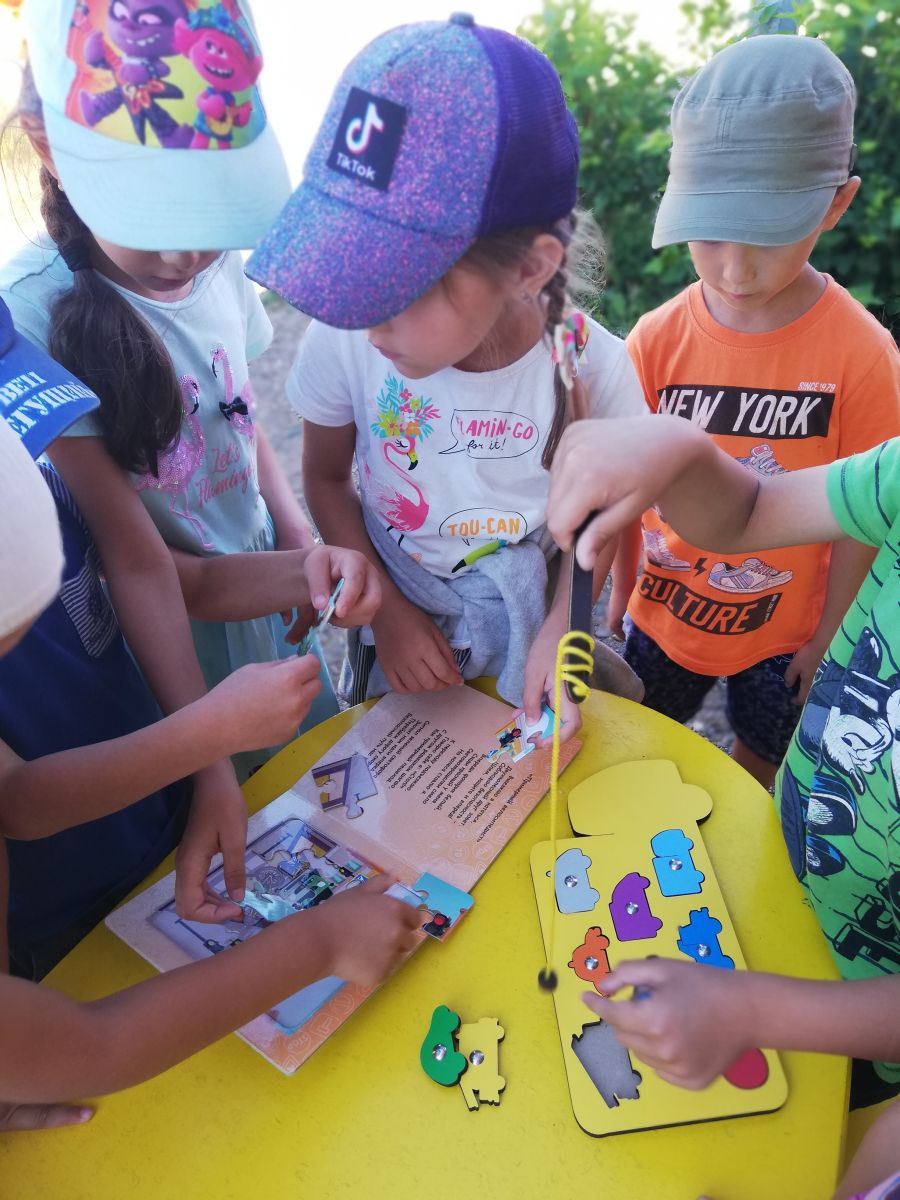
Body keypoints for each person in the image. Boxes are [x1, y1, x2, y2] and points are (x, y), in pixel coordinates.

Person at [0, 0, 375, 921]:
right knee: (232, 869)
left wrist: (296, 538)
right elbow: (138, 563)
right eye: (155, 215)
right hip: (175, 661)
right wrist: (204, 756)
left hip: (264, 609)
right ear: (50, 150)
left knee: (335, 820)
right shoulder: (35, 317)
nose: (186, 251)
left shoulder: (214, 264)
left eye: (205, 213)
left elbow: (239, 418)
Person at [245, 14, 646, 737]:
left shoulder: (598, 371)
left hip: (528, 618)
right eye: (355, 268)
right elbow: (328, 478)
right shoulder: (347, 337)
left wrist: (564, 625)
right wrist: (390, 617)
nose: (370, 320)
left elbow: (598, 528)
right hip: (397, 613)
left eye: (402, 284)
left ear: (531, 269)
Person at [547, 414, 900, 1108]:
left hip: (856, 1033)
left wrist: (753, 1011)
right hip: (779, 876)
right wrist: (678, 451)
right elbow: (751, 510)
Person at [609, 35, 900, 788]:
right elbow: (624, 484)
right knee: (633, 744)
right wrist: (616, 597)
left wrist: (831, 634)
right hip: (661, 609)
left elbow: (864, 517)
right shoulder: (655, 341)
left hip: (787, 629)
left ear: (836, 203)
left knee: (761, 762)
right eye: (708, 235)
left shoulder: (864, 357)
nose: (735, 271)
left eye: (768, 234)